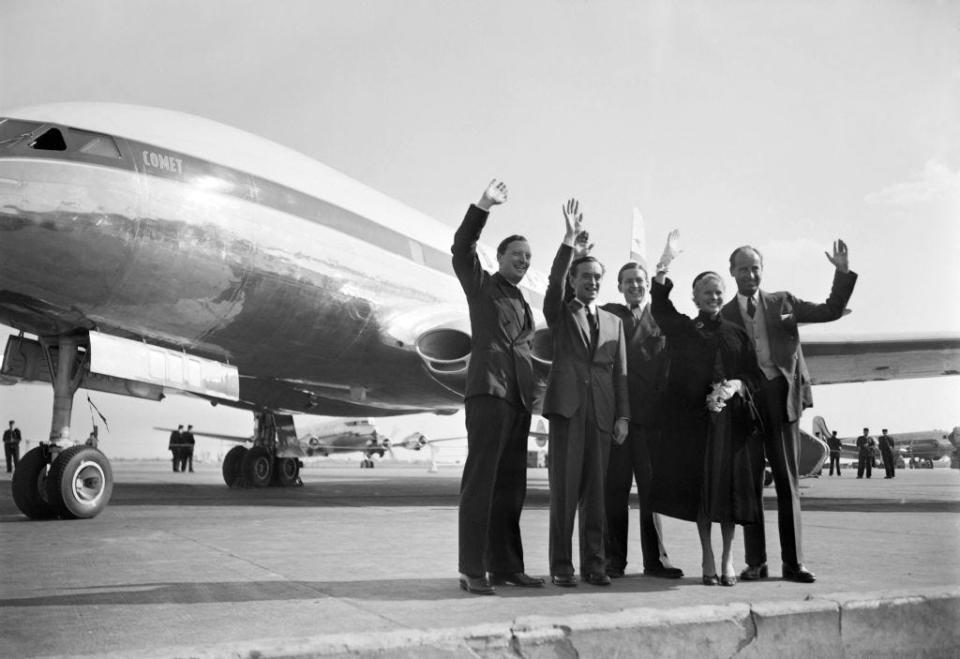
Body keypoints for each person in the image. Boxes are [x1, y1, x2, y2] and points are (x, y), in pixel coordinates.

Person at [722, 240, 857, 584]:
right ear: (732, 272)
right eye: (742, 268)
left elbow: (827, 311)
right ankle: (756, 563)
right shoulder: (725, 316)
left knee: (788, 483)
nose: (749, 274)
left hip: (782, 401)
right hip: (748, 405)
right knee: (751, 485)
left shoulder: (781, 305)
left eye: (755, 268)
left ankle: (793, 563)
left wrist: (841, 273)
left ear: (761, 271)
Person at [649, 236, 762, 587]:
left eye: (718, 292)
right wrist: (664, 265)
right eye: (706, 293)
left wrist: (737, 385)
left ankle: (727, 558)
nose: (713, 298)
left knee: (727, 494)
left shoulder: (737, 335)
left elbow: (753, 374)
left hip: (729, 426)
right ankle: (707, 556)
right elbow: (659, 307)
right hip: (695, 426)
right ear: (695, 297)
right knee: (702, 494)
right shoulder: (684, 329)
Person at [451, 179, 542, 595]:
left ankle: (506, 566)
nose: (522, 261)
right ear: (499, 257)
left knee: (510, 488)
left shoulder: (523, 303)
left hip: (518, 401)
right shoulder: (482, 285)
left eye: (527, 257)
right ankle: (472, 569)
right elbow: (462, 248)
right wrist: (483, 205)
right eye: (516, 254)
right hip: (488, 393)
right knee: (481, 483)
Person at [542, 199, 629, 588]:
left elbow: (621, 374)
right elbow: (553, 284)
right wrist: (568, 242)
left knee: (597, 496)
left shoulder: (614, 321)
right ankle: (562, 566)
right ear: (573, 282)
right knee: (564, 494)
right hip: (568, 412)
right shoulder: (561, 313)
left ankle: (595, 565)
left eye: (597, 277)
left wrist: (622, 415)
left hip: (602, 416)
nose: (592, 282)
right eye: (585, 277)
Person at [600, 261, 683, 580]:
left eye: (640, 281)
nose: (635, 286)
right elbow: (572, 303)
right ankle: (613, 560)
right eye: (628, 281)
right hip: (619, 419)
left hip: (652, 422)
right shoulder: (609, 315)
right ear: (619, 287)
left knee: (653, 493)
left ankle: (656, 560)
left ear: (649, 284)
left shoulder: (661, 318)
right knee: (615, 492)